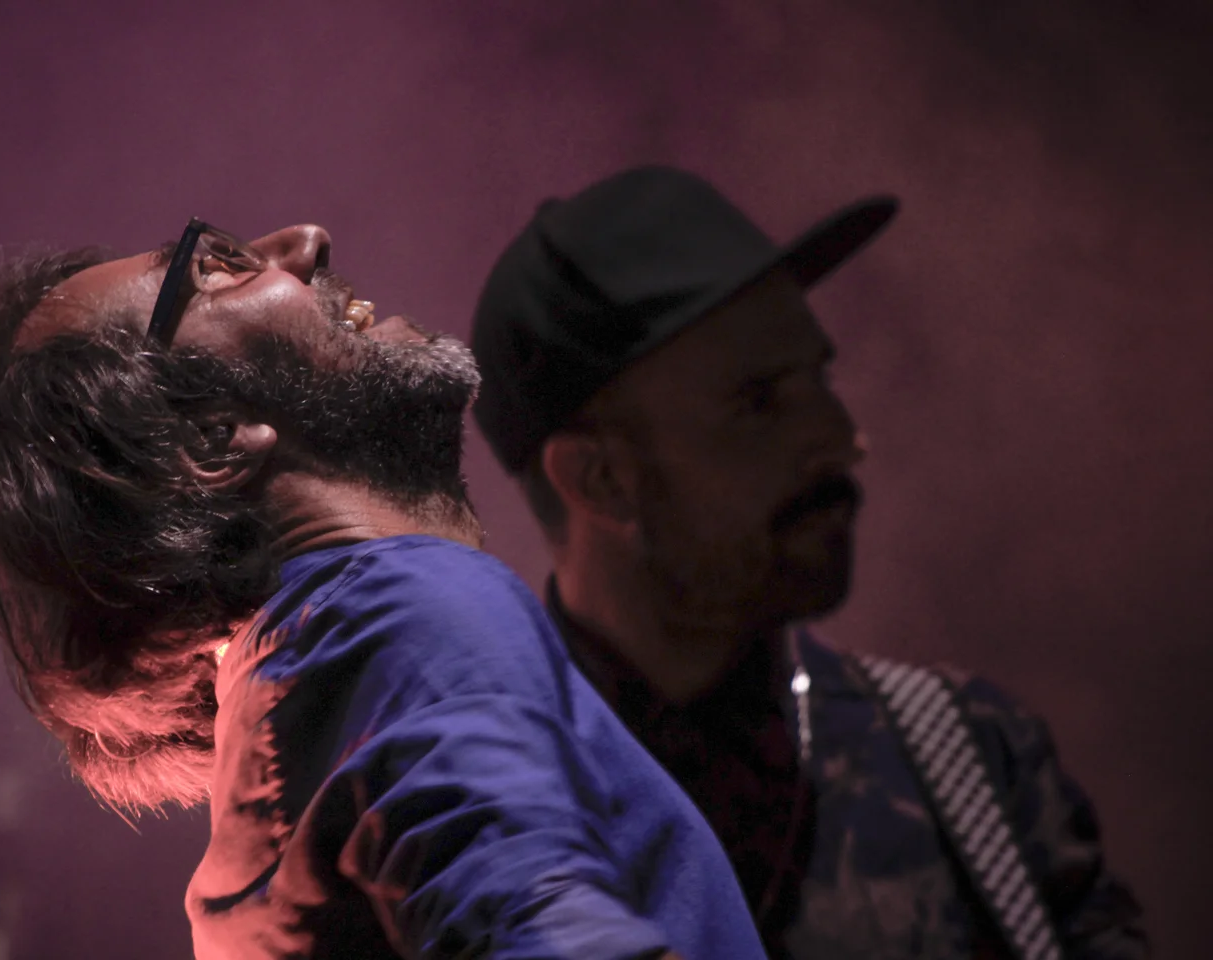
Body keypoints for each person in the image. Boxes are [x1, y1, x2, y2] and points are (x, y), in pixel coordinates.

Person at [0, 216, 769, 960]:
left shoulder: (293, 725)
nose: (304, 241)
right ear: (212, 440)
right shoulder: (399, 618)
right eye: (213, 268)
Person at [470, 166, 1147, 960]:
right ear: (600, 479)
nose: (842, 438)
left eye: (819, 378)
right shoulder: (463, 812)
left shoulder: (969, 763)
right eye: (758, 400)